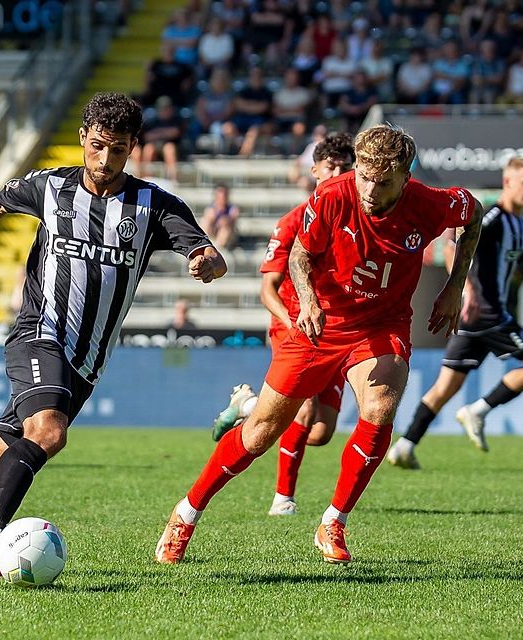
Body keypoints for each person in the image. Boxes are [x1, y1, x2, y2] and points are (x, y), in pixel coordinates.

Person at [0, 93, 227, 576]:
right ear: (82, 138)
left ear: (132, 148)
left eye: (117, 149)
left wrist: (207, 261)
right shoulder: (51, 188)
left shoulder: (155, 205)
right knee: (48, 431)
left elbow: (208, 252)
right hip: (40, 333)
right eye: (97, 146)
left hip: (88, 360)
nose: (104, 159)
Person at [155, 124, 483, 565]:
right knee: (259, 433)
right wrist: (307, 302)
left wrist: (454, 284)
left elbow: (474, 214)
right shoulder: (333, 195)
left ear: (406, 176)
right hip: (322, 323)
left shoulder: (431, 203)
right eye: (364, 175)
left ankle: (333, 522)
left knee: (380, 407)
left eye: (382, 181)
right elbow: (299, 256)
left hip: (381, 325)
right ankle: (186, 513)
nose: (368, 188)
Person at [387, 157, 523, 469]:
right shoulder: (492, 217)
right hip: (488, 313)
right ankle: (479, 410)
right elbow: (452, 245)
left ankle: (405, 446)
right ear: (507, 182)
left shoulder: (518, 223)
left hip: (475, 318)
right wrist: (464, 288)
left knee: (446, 387)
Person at [210, 132, 355, 518]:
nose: (338, 173)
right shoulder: (294, 221)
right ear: (315, 170)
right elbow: (267, 289)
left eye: (345, 167)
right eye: (331, 167)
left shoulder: (356, 222)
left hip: (337, 331)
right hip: (293, 326)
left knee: (321, 432)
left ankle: (249, 404)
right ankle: (282, 499)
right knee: (302, 413)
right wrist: (293, 320)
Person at [200, 183, 240, 249]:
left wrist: (226, 220)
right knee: (205, 221)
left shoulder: (232, 209)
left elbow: (233, 218)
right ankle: (206, 245)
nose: (222, 199)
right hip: (213, 233)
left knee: (225, 229)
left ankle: (216, 248)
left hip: (228, 237)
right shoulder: (211, 209)